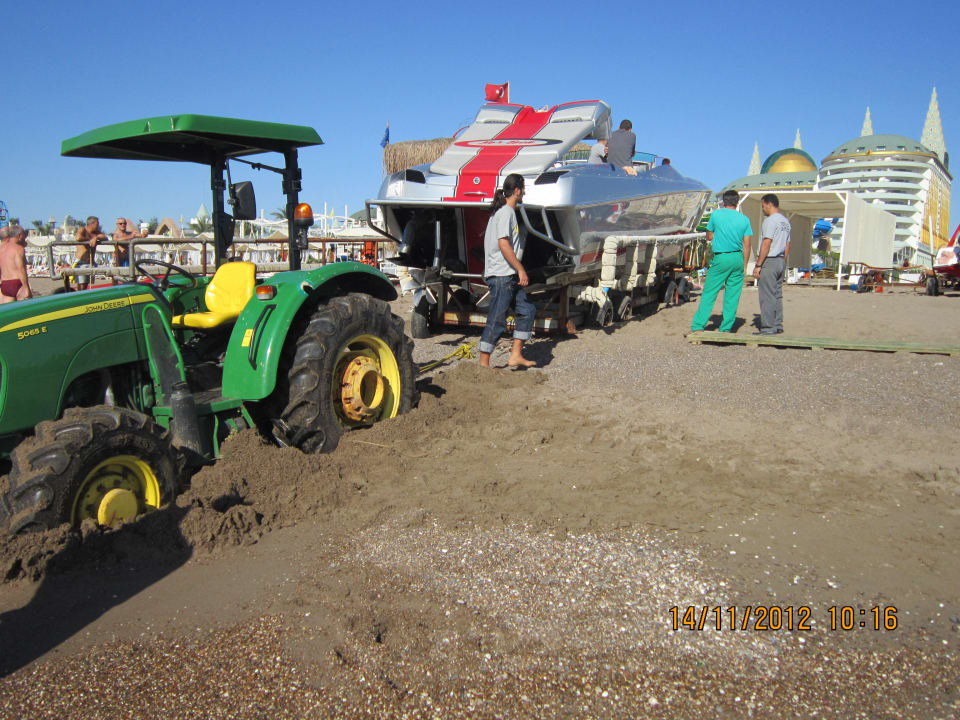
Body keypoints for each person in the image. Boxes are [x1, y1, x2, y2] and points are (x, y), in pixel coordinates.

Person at [478, 173, 536, 369]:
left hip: (507, 274)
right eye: (524, 189)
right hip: (503, 275)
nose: (525, 192)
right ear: (517, 191)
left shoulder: (501, 213)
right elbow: (503, 244)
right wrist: (521, 269)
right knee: (497, 319)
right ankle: (483, 364)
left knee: (527, 310)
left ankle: (515, 356)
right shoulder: (506, 213)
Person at [690, 190, 753, 333]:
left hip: (721, 257)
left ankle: (698, 326)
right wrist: (744, 264)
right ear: (737, 204)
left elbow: (709, 236)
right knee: (732, 295)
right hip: (737, 257)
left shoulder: (716, 215)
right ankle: (726, 328)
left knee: (709, 293)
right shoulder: (744, 219)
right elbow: (747, 244)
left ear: (723, 203)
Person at [753, 194, 791, 334]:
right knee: (777, 294)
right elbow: (788, 244)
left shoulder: (770, 221)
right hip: (780, 259)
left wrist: (758, 265)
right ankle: (777, 324)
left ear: (769, 204)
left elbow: (766, 243)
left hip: (770, 259)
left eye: (763, 206)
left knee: (767, 295)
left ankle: (768, 327)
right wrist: (783, 261)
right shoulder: (785, 222)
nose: (763, 209)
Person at [0, 225, 33, 302]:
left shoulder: (1, 249)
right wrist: (26, 287)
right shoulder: (18, 249)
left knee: (8, 311)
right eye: (24, 236)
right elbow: (21, 269)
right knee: (25, 311)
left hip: (5, 284)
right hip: (17, 283)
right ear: (19, 236)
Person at [74, 216, 107, 289]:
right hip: (81, 262)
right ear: (91, 224)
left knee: (86, 284)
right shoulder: (83, 229)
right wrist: (90, 240)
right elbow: (78, 238)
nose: (98, 225)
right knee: (81, 285)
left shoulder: (96, 233)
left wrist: (96, 238)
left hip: (92, 262)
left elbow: (105, 237)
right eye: (97, 224)